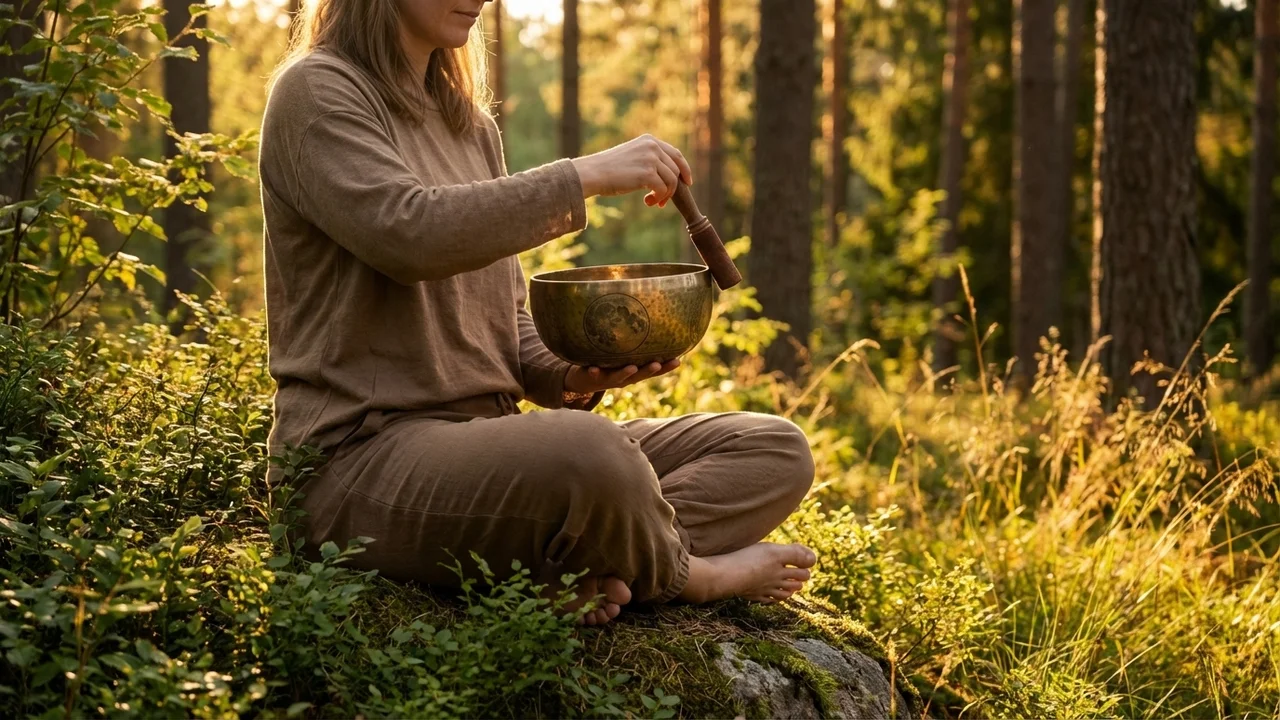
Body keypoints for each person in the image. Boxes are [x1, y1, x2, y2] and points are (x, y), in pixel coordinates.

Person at [259, 0, 817, 626]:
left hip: (483, 452)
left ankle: (586, 568)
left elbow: (504, 311)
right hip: (358, 461)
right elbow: (408, 233)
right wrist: (582, 176)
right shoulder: (317, 90)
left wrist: (573, 373)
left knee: (772, 449)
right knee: (595, 456)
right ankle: (694, 575)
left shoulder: (468, 125)